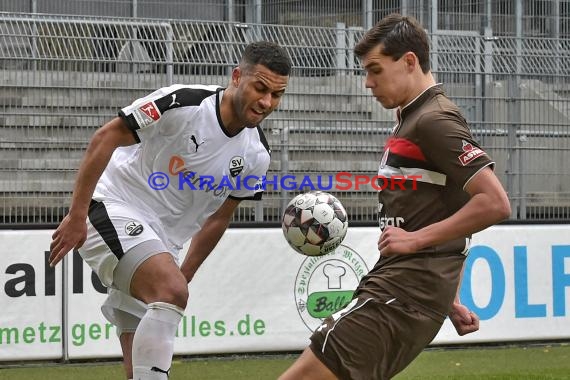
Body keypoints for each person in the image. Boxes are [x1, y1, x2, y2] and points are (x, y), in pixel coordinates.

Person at [279, 14, 511, 380]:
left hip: (404, 292)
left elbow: (494, 202)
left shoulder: (434, 120)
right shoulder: (411, 119)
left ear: (409, 62)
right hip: (402, 287)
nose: (368, 83)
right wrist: (449, 297)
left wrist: (416, 241)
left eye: (375, 70)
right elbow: (455, 203)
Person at [49, 41, 291, 380]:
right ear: (237, 77)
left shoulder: (256, 155)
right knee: (170, 291)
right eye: (260, 88)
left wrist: (185, 273)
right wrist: (77, 216)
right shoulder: (184, 102)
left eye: (276, 95)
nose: (266, 102)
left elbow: (220, 217)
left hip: (164, 243)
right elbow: (106, 137)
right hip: (113, 205)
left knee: (142, 362)